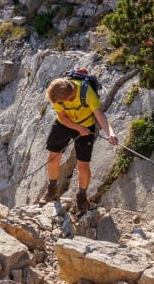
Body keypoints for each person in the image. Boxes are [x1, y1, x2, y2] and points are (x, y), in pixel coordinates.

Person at [40, 74, 118, 213]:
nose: (59, 103)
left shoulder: (86, 92)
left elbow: (99, 114)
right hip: (65, 124)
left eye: (63, 101)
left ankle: (82, 196)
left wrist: (111, 133)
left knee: (83, 166)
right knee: (53, 157)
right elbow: (63, 116)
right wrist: (77, 128)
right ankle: (52, 189)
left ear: (70, 96)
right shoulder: (56, 93)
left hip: (86, 125)